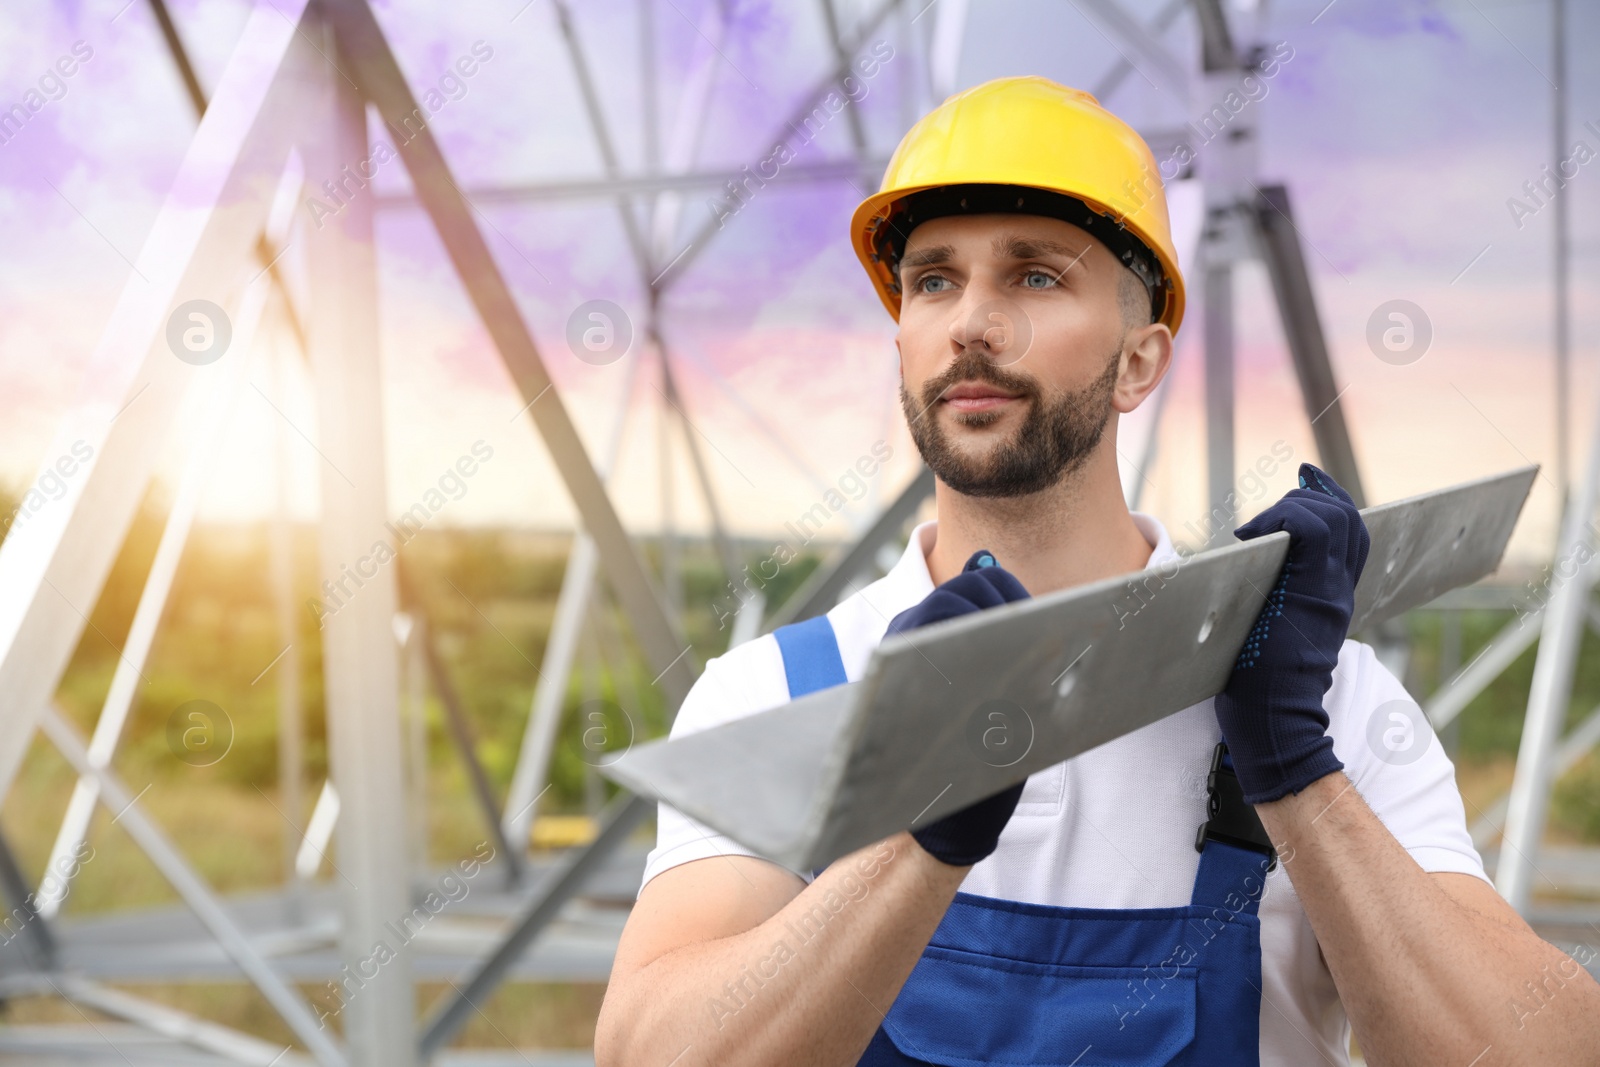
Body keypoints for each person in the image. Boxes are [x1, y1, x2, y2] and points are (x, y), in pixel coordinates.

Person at [595, 76, 1600, 1066]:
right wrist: (914, 839)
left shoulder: (1318, 697)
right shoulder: (780, 695)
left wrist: (1294, 774)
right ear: (900, 338)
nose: (971, 323)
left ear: (1138, 361)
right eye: (933, 280)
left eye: (1035, 276)